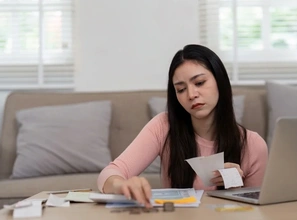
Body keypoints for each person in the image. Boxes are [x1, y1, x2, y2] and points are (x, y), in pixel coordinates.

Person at [97, 44, 268, 208]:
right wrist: (122, 185)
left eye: (199, 83)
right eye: (181, 89)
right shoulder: (163, 126)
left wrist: (235, 185)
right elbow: (110, 173)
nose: (192, 95)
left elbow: (258, 211)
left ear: (220, 81)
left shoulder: (253, 144)